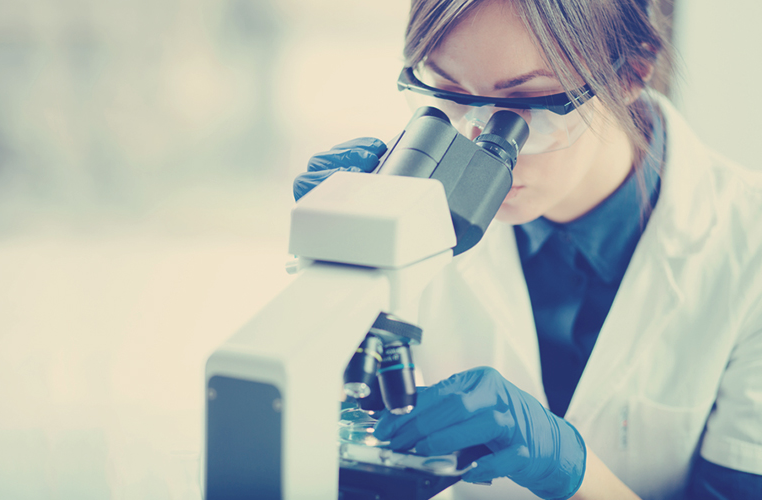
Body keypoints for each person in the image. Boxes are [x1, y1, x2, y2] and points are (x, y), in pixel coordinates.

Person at [293, 0, 762, 498]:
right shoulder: (414, 204)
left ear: (632, 72)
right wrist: (335, 265)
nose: (476, 139)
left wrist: (574, 472)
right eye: (448, 92)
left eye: (530, 102)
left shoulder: (746, 246)